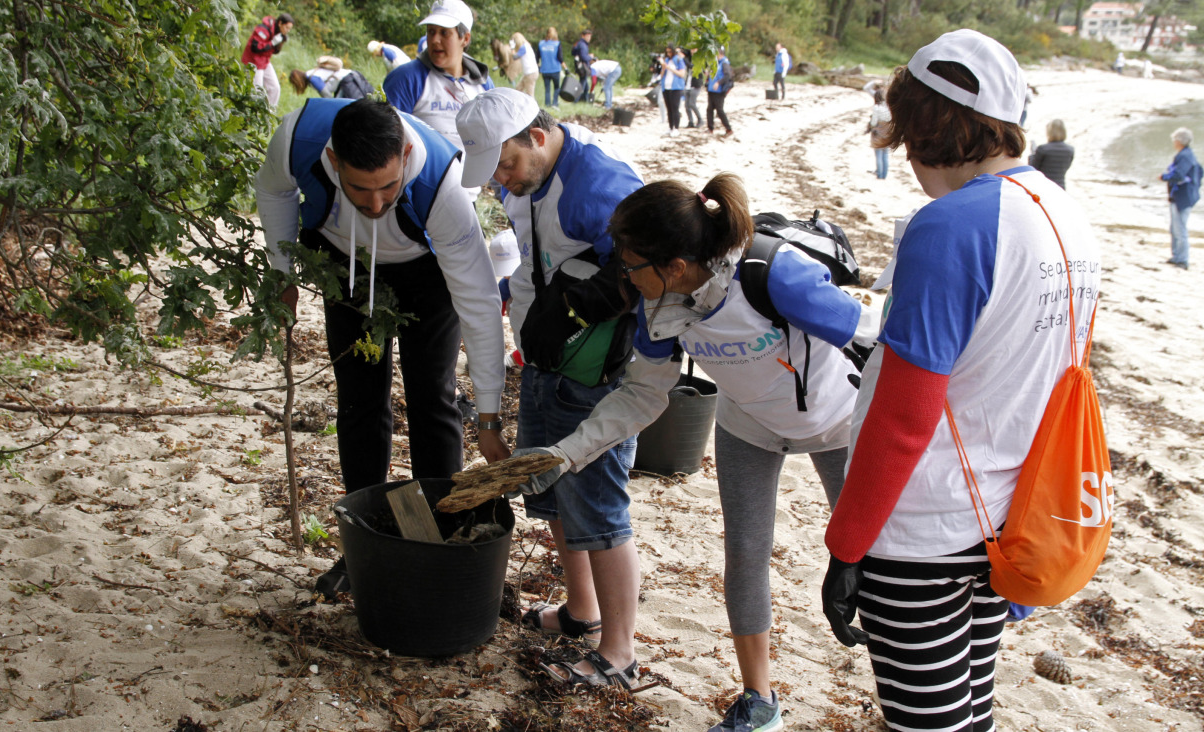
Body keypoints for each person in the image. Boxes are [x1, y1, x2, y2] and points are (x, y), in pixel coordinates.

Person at [518, 172, 878, 731]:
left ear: (676, 267)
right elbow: (641, 395)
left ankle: (900, 687)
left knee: (874, 560)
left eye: (631, 264)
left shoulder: (773, 275)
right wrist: (565, 454)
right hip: (747, 424)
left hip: (838, 422)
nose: (624, 276)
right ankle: (759, 703)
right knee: (745, 555)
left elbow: (876, 344)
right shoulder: (659, 308)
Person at [820, 30, 1102, 732]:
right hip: (1009, 518)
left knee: (929, 724)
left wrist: (846, 546)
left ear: (921, 126)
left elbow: (904, 416)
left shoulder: (948, 225)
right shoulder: (1065, 214)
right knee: (969, 711)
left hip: (923, 529)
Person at [254, 98, 511, 599]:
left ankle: (437, 540)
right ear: (332, 163)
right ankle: (361, 546)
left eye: (389, 187)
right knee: (358, 401)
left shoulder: (441, 185)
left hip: (425, 274)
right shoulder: (298, 140)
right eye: (359, 190)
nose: (375, 204)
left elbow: (480, 304)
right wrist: (280, 271)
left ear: (407, 153)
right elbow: (274, 191)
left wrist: (487, 415)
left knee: (432, 397)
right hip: (345, 265)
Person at [455, 88, 646, 689]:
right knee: (552, 491)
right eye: (494, 174)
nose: (503, 182)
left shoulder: (598, 185)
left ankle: (618, 652)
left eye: (507, 165)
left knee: (598, 506)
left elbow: (651, 271)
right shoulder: (526, 183)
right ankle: (581, 611)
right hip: (543, 362)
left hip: (597, 374)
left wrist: (593, 302)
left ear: (536, 136)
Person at [383, 0, 493, 153]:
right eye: (431, 31)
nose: (434, 40)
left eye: (444, 32)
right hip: (425, 176)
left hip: (477, 174)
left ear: (465, 38)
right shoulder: (406, 78)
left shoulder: (483, 83)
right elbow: (385, 140)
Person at [1160, 126, 1200, 269]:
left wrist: (1164, 177)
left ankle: (1182, 259)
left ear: (1179, 141)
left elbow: (1179, 175)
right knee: (1175, 227)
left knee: (1179, 228)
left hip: (1182, 197)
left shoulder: (1184, 156)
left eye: (1175, 139)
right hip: (1183, 196)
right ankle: (1177, 256)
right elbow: (1199, 172)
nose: (1173, 142)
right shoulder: (1187, 154)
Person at [240, 12, 294, 108]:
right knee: (257, 91)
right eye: (287, 28)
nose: (287, 31)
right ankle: (253, 116)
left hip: (264, 61)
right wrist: (272, 43)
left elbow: (273, 52)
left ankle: (269, 114)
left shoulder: (279, 33)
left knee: (275, 88)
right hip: (253, 61)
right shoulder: (264, 29)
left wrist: (280, 43)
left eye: (289, 29)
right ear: (280, 23)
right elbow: (255, 48)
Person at [288, 57, 373, 101]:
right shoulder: (313, 72)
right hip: (354, 75)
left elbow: (327, 96)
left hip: (348, 82)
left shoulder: (313, 78)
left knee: (357, 109)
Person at [1028, 119, 1075, 189]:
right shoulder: (1070, 150)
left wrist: (1033, 154)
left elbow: (1033, 169)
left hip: (1043, 186)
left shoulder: (1043, 149)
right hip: (1060, 187)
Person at [706, 46, 734, 137]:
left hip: (719, 90)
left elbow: (727, 76)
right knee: (709, 109)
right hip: (712, 89)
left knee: (719, 110)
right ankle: (710, 128)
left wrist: (718, 83)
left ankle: (728, 128)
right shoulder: (716, 63)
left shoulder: (724, 63)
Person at [660, 45, 687, 136]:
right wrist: (664, 67)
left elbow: (681, 74)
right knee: (669, 108)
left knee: (675, 108)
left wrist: (670, 68)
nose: (668, 54)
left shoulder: (679, 60)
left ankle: (676, 128)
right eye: (667, 52)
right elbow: (662, 74)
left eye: (670, 52)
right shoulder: (667, 60)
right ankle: (671, 127)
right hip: (666, 87)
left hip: (676, 87)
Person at [866, 87, 891, 178]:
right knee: (885, 155)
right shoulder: (889, 106)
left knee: (878, 155)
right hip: (888, 131)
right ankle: (884, 175)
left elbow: (873, 122)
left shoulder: (877, 107)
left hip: (878, 131)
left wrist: (871, 126)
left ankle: (879, 174)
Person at [538, 28, 564, 108]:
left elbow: (537, 57)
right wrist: (565, 67)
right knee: (556, 87)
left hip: (545, 70)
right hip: (555, 69)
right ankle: (555, 103)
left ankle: (547, 104)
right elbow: (560, 58)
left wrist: (538, 67)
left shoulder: (541, 44)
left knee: (547, 88)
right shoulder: (557, 44)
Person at [511, 32, 539, 98]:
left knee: (530, 95)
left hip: (530, 73)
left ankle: (534, 108)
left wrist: (512, 48)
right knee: (518, 89)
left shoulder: (524, 47)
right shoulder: (526, 46)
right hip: (528, 73)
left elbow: (514, 57)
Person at [572, 30, 596, 103]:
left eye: (590, 36)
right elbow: (584, 57)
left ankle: (585, 102)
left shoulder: (578, 43)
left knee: (586, 87)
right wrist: (591, 57)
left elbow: (573, 52)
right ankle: (575, 102)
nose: (589, 38)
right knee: (581, 86)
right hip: (583, 68)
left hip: (580, 67)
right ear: (583, 36)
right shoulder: (582, 45)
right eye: (588, 36)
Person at [684, 48, 704, 128]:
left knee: (692, 103)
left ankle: (700, 119)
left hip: (696, 84)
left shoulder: (699, 59)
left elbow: (692, 67)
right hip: (688, 84)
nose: (692, 50)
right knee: (686, 105)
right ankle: (690, 121)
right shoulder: (689, 58)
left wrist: (684, 59)